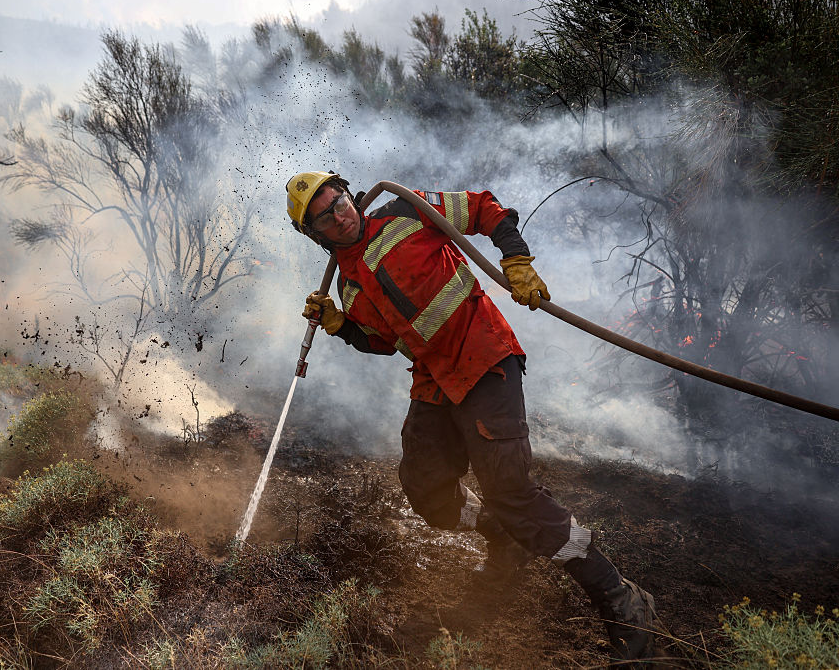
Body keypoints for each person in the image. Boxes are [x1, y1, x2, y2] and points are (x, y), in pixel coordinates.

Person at [285, 170, 667, 662]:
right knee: (425, 488)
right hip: (434, 379)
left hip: (485, 357)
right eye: (325, 216)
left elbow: (485, 208)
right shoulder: (347, 282)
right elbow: (382, 341)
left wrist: (518, 259)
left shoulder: (404, 210)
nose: (340, 214)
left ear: (347, 192)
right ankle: (501, 535)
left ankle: (621, 600)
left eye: (338, 200)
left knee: (510, 490)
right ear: (315, 234)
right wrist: (341, 325)